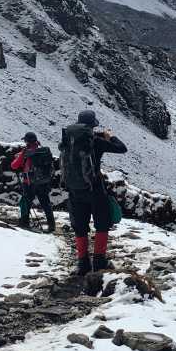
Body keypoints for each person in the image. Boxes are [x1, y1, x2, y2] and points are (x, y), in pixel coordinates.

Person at [60, 109, 126, 275]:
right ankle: (99, 261)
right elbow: (121, 148)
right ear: (93, 125)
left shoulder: (68, 141)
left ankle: (83, 263)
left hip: (75, 190)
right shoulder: (96, 141)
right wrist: (109, 136)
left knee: (80, 226)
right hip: (95, 189)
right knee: (102, 224)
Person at [10, 131, 56, 233]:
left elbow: (14, 165)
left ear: (27, 141)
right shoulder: (43, 151)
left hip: (29, 182)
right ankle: (51, 225)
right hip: (43, 182)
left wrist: (22, 153)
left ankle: (24, 222)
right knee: (45, 203)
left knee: (25, 202)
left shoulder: (27, 152)